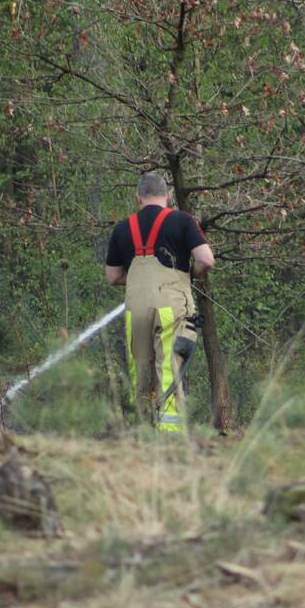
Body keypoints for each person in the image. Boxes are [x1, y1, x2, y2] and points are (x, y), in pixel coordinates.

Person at [105, 173, 215, 431]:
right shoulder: (182, 221)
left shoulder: (122, 228)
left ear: (138, 198)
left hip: (136, 307)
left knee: (139, 369)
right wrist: (190, 274)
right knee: (167, 365)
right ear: (167, 196)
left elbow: (112, 277)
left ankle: (142, 430)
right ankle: (170, 433)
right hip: (171, 305)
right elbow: (207, 260)